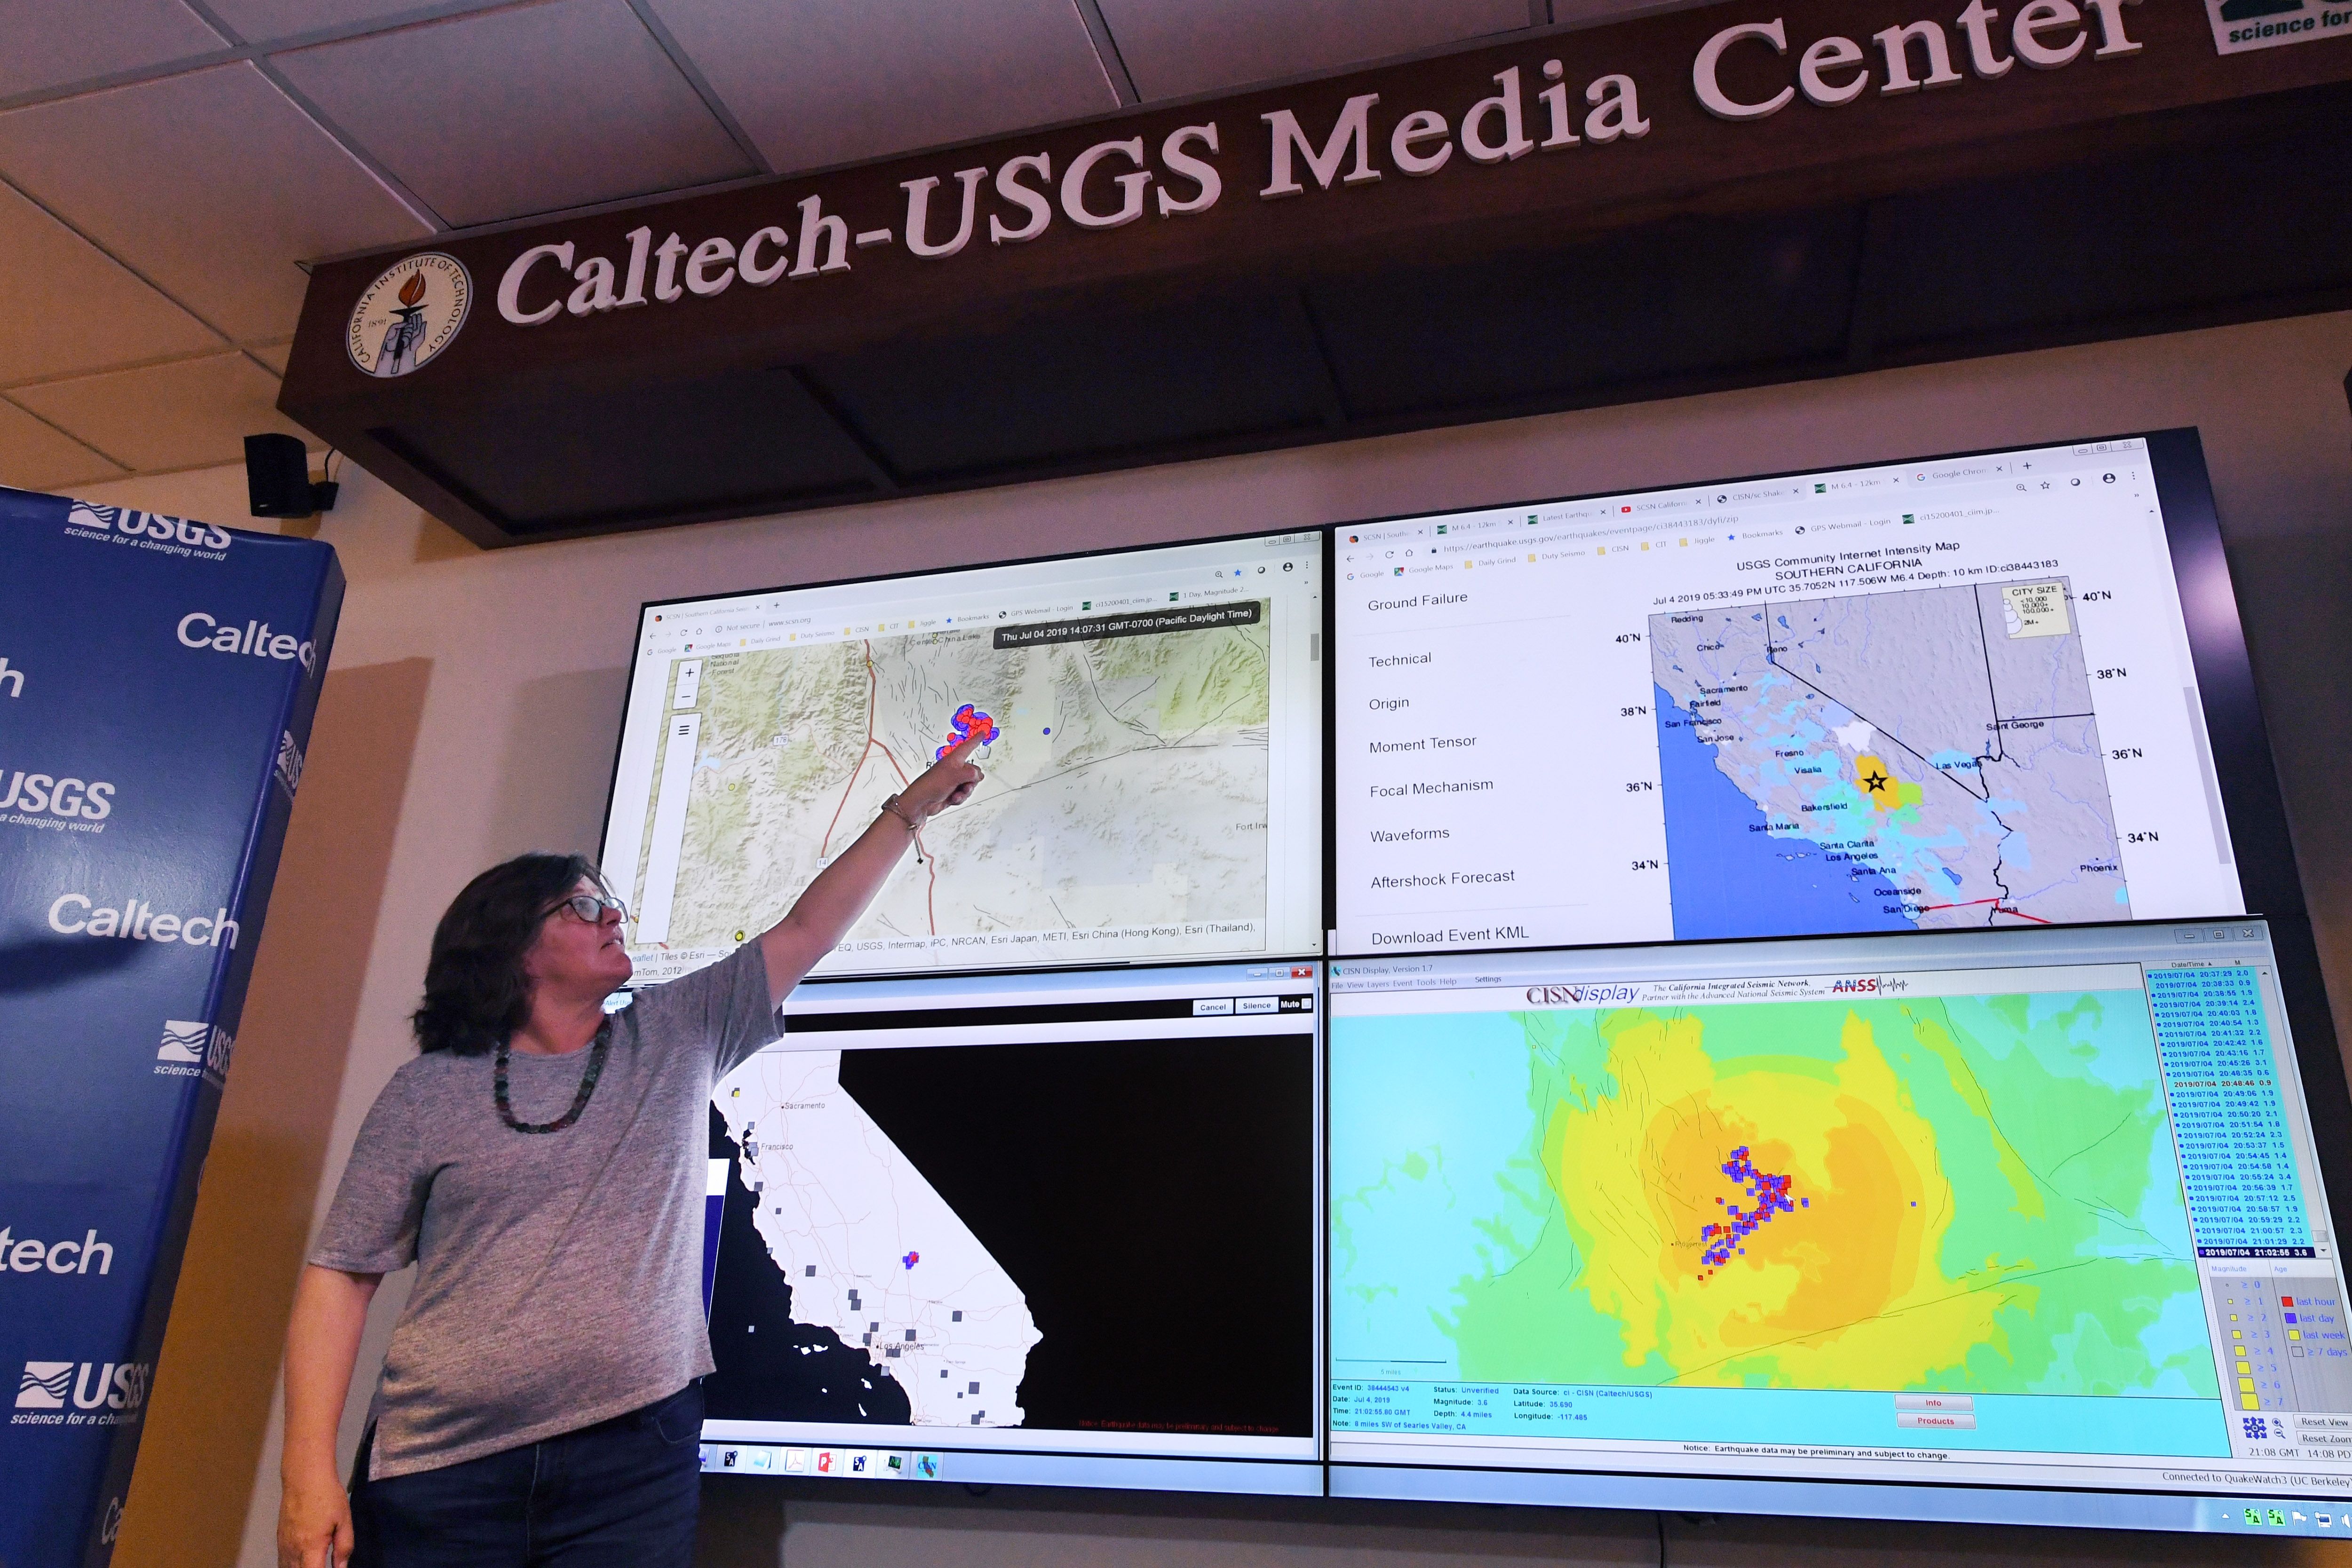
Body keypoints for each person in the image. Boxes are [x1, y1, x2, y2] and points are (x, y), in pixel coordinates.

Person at [275, 736, 984, 1568]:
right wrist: (304, 1476)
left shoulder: (676, 1032)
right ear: (512, 944)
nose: (612, 915)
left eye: (608, 902)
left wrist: (912, 810)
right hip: (442, 1476)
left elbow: (807, 928)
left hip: (631, 1467)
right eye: (582, 906)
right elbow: (341, 1274)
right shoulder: (428, 1090)